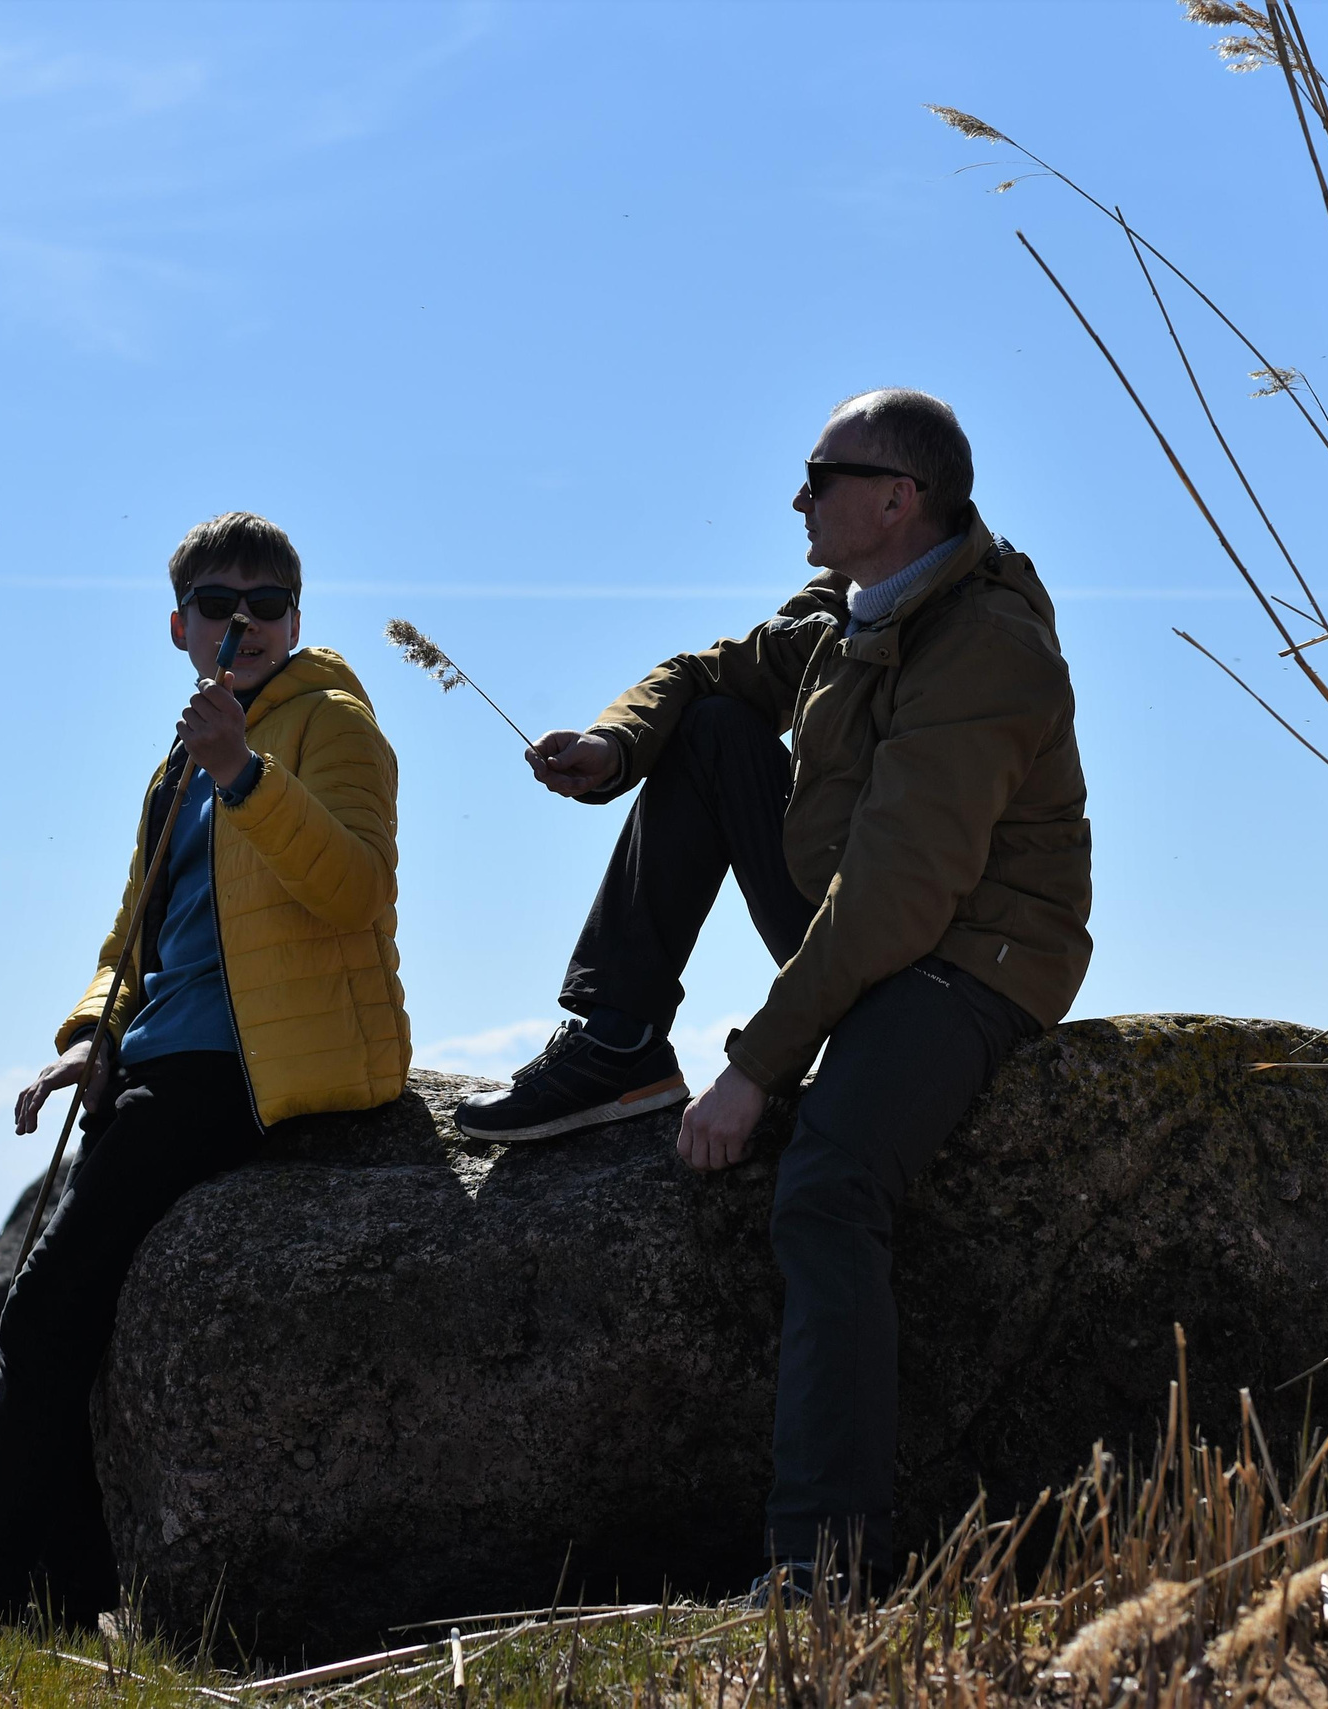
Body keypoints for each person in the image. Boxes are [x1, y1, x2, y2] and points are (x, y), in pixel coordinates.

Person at [455, 390, 1090, 1592]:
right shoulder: (842, 611)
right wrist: (617, 741)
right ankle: (620, 1038)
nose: (797, 495)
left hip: (971, 956)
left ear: (898, 498)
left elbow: (903, 898)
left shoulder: (986, 642)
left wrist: (758, 1064)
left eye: (821, 473)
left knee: (826, 1186)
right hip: (862, 921)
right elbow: (703, 671)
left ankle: (825, 1562)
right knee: (704, 729)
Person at [0, 511, 410, 1631]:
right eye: (220, 604)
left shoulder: (330, 724)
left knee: (41, 1313)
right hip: (168, 1054)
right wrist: (93, 1031)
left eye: (269, 601)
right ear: (179, 624)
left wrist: (247, 773)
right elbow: (139, 929)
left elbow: (353, 890)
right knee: (73, 1317)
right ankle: (62, 1586)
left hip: (253, 1064)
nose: (245, 620)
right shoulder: (179, 755)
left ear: (296, 615)